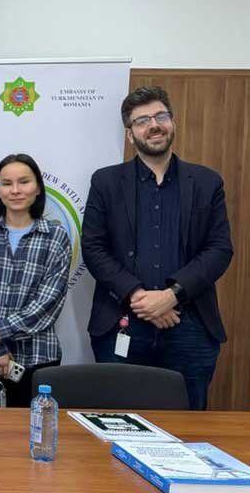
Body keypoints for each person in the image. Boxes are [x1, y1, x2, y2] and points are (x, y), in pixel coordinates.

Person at [83, 86, 233, 411]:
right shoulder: (106, 182)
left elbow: (219, 249)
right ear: (129, 134)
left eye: (160, 116)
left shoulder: (206, 182)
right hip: (122, 321)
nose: (154, 125)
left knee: (187, 425)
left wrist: (170, 296)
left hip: (190, 326)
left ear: (173, 122)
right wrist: (139, 297)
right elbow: (93, 248)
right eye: (142, 120)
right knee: (119, 422)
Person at [0, 154, 72, 407]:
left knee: (35, 426)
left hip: (39, 356)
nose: (15, 190)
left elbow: (49, 300)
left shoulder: (55, 236)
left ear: (38, 187)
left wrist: (0, 331)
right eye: (7, 183)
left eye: (24, 182)